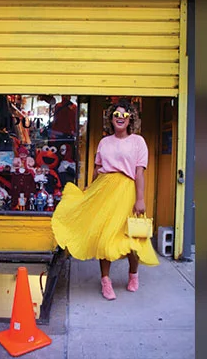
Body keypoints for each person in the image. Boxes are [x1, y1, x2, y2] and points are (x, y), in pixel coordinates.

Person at [51, 100, 159, 300]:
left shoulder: (138, 142)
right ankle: (105, 281)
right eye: (116, 114)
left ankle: (133, 274)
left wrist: (141, 199)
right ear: (111, 118)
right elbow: (96, 168)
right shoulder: (104, 142)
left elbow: (139, 173)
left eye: (124, 115)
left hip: (127, 192)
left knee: (131, 239)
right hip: (103, 191)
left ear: (130, 119)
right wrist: (89, 192)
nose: (120, 118)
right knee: (104, 237)